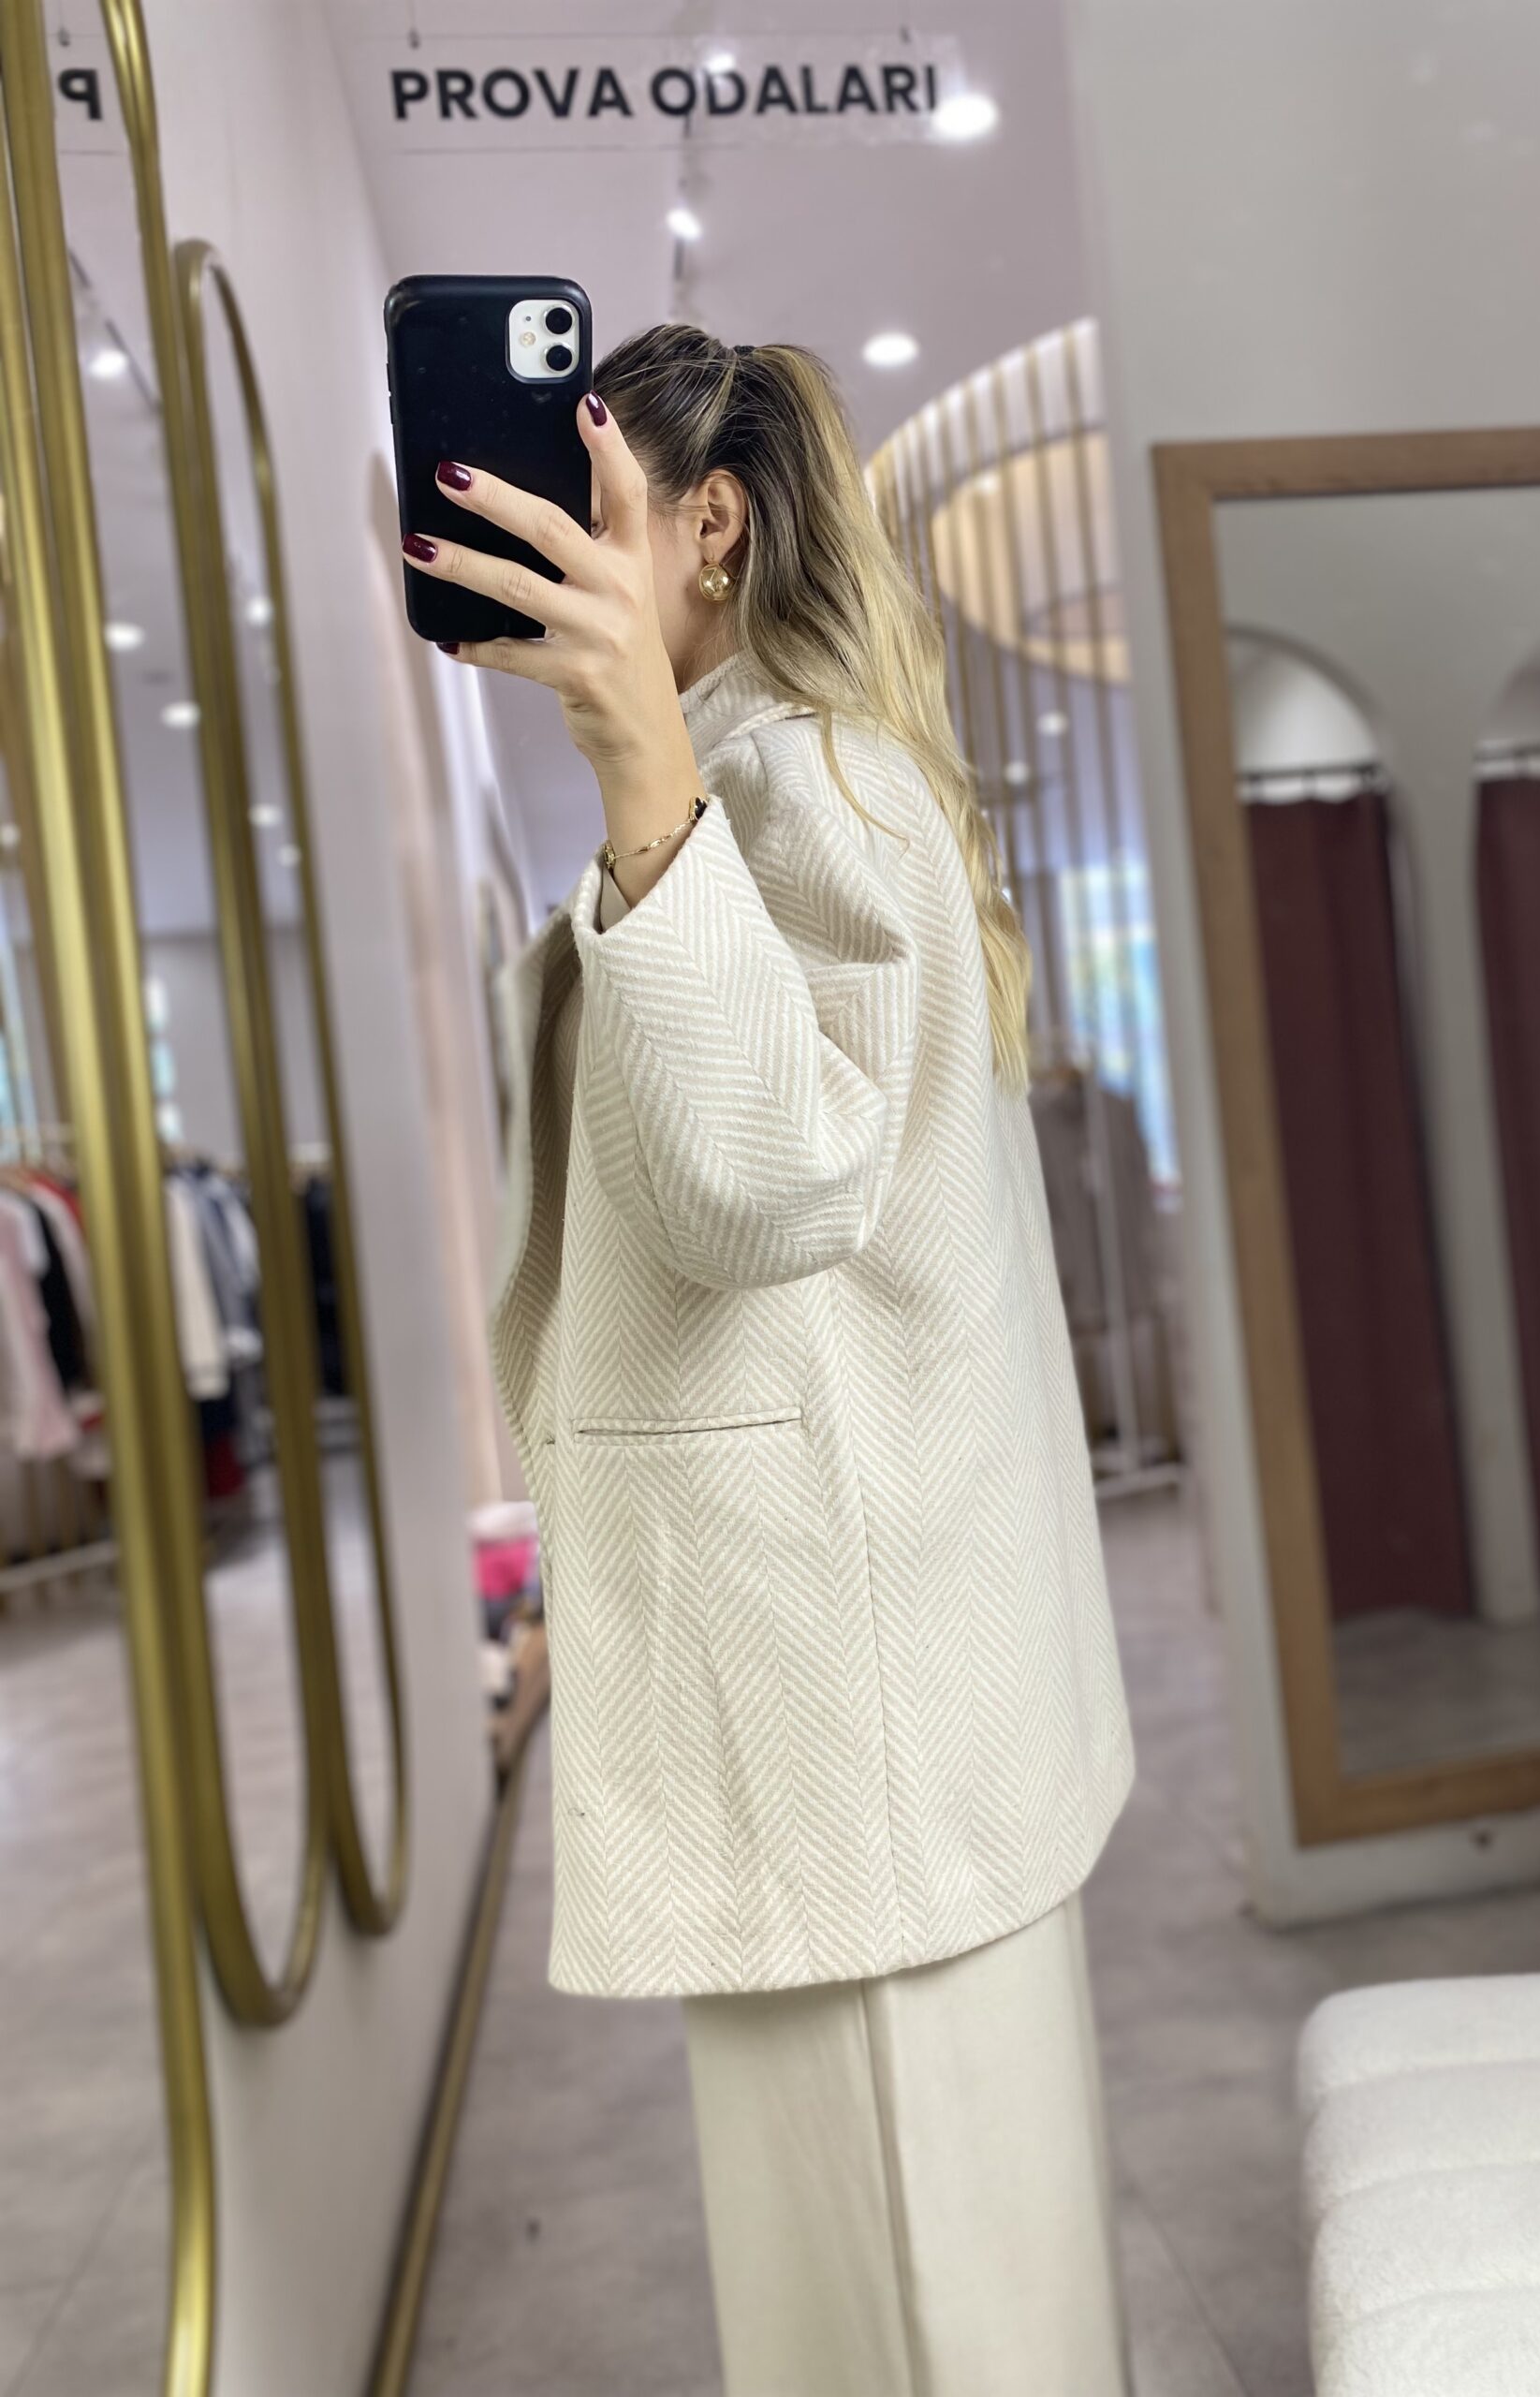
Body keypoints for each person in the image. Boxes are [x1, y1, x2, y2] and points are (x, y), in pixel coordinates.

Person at [414, 322, 1137, 2396]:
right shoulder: (787, 770)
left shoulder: (789, 778)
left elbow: (762, 1189)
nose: (538, 541)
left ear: (710, 523)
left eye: (585, 503)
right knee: (908, 2306)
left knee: (915, 2322)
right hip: (853, 1698)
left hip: (858, 1718)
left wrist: (645, 775)